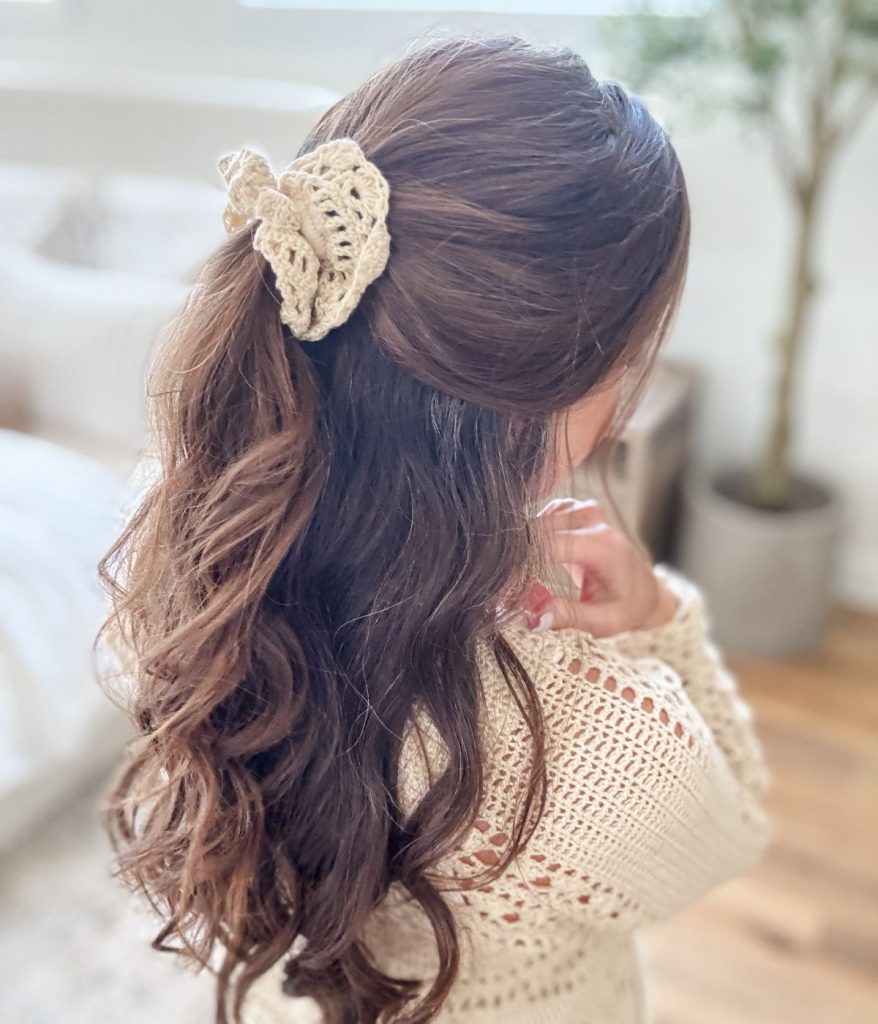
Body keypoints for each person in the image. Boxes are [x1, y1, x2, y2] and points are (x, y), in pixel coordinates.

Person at [96, 30, 771, 1024]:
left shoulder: (186, 539)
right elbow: (737, 826)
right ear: (568, 388)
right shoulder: (596, 742)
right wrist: (661, 617)